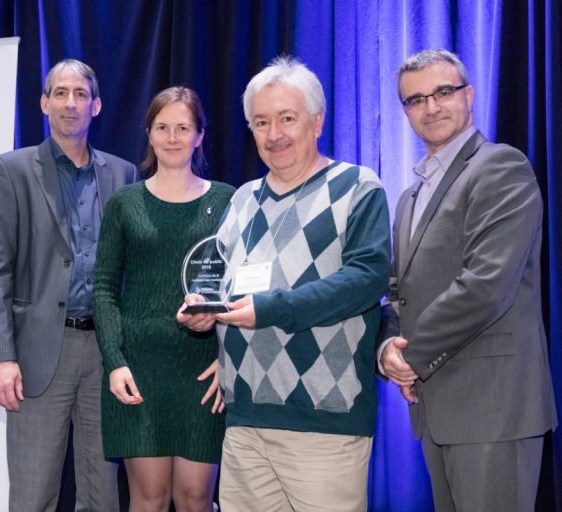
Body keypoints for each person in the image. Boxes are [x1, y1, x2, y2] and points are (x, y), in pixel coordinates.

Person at [178, 56, 391, 511]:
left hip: (324, 420)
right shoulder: (241, 201)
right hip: (245, 419)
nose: (273, 134)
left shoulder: (356, 186)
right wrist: (207, 317)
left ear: (317, 122)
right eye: (260, 122)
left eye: (287, 119)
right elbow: (227, 293)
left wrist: (271, 309)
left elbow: (365, 279)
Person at [377, 48, 557, 511]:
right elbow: (397, 292)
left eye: (443, 92)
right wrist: (387, 351)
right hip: (437, 409)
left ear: (469, 95)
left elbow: (486, 286)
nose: (431, 107)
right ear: (405, 112)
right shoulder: (409, 196)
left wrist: (411, 355)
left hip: (493, 408)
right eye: (416, 100)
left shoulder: (500, 167)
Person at [0, 58, 138, 511]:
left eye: (81, 94)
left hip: (106, 353)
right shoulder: (10, 169)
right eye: (61, 93)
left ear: (97, 105)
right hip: (37, 352)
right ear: (43, 103)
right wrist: (2, 356)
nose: (71, 103)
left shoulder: (123, 174)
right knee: (32, 495)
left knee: (102, 494)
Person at [93, 87, 234, 512]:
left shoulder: (229, 201)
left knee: (195, 500)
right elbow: (102, 288)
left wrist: (229, 356)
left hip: (203, 373)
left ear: (199, 135)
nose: (173, 137)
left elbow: (242, 288)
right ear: (149, 135)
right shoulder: (124, 203)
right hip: (138, 371)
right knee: (149, 500)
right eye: (162, 127)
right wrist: (115, 363)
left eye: (183, 127)